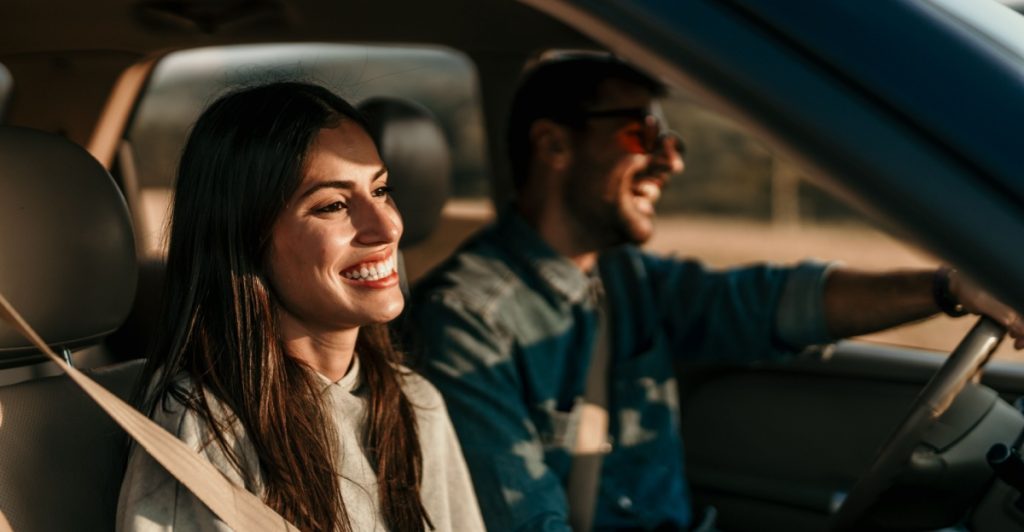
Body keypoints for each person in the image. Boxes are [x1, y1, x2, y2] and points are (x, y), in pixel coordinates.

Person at [405, 54, 1024, 531]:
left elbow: (770, 303)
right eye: (641, 135)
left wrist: (949, 287)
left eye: (671, 144)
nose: (669, 163)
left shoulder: (625, 279)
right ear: (554, 145)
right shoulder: (466, 320)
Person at [117, 82, 485, 532]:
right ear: (247, 241)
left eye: (382, 190)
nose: (386, 226)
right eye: (333, 205)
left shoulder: (415, 403)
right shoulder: (206, 425)